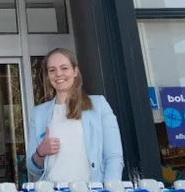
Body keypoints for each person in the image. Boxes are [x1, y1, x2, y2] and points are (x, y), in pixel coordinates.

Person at [26, 48, 124, 184]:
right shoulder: (38, 113)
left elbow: (114, 156)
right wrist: (40, 152)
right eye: (52, 70)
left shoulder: (99, 105)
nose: (58, 74)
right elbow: (33, 169)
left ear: (75, 71)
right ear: (48, 76)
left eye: (64, 68)